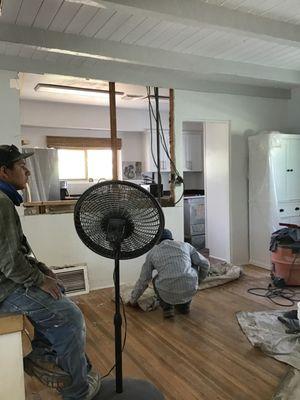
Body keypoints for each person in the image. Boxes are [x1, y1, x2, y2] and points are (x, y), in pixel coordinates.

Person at [0, 144, 101, 400]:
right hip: (5, 288)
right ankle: (77, 392)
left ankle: (43, 356)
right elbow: (11, 264)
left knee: (59, 290)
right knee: (70, 317)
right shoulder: (1, 203)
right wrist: (39, 280)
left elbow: (14, 252)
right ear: (4, 171)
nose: (28, 172)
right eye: (21, 167)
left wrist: (41, 269)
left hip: (7, 280)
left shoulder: (5, 201)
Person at [129, 228, 210, 318]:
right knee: (195, 263)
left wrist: (133, 300)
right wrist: (199, 280)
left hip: (166, 291)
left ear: (157, 240)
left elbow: (143, 280)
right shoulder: (185, 245)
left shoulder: (152, 253)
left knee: (155, 279)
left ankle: (167, 308)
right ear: (171, 238)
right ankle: (184, 306)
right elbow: (205, 264)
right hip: (190, 287)